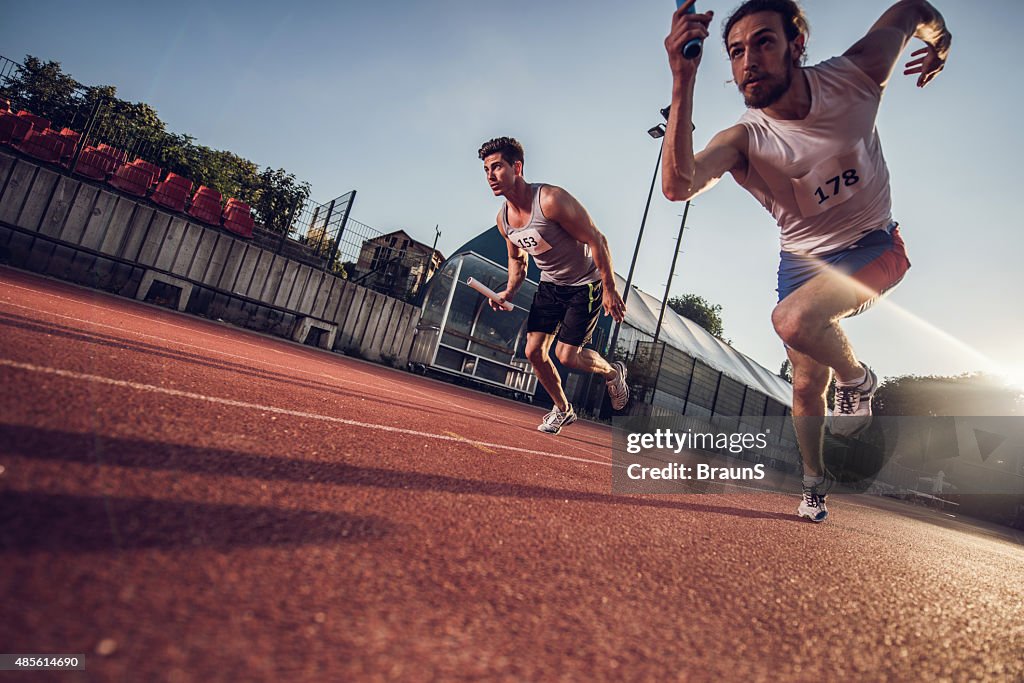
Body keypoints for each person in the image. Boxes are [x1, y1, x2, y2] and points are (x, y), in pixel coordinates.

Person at [661, 0, 951, 521]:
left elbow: (911, 10)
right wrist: (682, 79)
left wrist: (941, 42)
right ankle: (814, 483)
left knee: (793, 319)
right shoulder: (744, 139)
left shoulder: (856, 74)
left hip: (873, 245)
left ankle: (858, 380)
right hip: (801, 261)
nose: (748, 59)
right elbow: (679, 186)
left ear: (796, 45)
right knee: (802, 383)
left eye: (764, 42)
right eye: (735, 51)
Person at [478, 136, 630, 434]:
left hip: (584, 283)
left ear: (517, 167)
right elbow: (518, 262)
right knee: (534, 351)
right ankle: (563, 409)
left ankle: (613, 373)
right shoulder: (503, 220)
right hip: (550, 286)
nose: (491, 176)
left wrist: (610, 289)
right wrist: (508, 291)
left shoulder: (550, 200)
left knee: (567, 355)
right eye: (486, 170)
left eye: (497, 167)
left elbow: (597, 239)